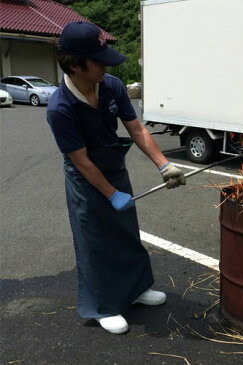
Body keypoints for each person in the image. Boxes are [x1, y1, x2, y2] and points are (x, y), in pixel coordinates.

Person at [47, 21, 186, 335]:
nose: (106, 66)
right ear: (76, 65)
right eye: (98, 60)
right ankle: (102, 306)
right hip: (85, 180)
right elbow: (81, 161)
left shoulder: (112, 85)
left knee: (125, 231)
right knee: (95, 240)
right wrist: (110, 194)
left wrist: (165, 165)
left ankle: (135, 289)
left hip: (113, 167)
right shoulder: (60, 108)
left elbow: (136, 129)